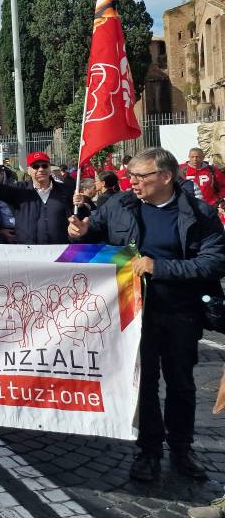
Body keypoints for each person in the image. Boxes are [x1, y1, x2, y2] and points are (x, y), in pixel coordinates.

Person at [68, 147, 225, 482]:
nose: (133, 182)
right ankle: (148, 451)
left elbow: (215, 261)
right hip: (134, 314)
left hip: (182, 312)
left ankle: (182, 449)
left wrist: (160, 267)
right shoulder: (119, 206)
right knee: (144, 385)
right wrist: (79, 232)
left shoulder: (199, 213)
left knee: (181, 384)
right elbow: (90, 233)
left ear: (165, 177)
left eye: (141, 176)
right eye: (131, 176)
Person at [0, 151, 73, 245]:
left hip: (59, 252)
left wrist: (83, 204)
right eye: (36, 166)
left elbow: (79, 215)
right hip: (27, 253)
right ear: (29, 170)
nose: (41, 169)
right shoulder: (19, 190)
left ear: (50, 168)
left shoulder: (66, 190)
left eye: (44, 166)